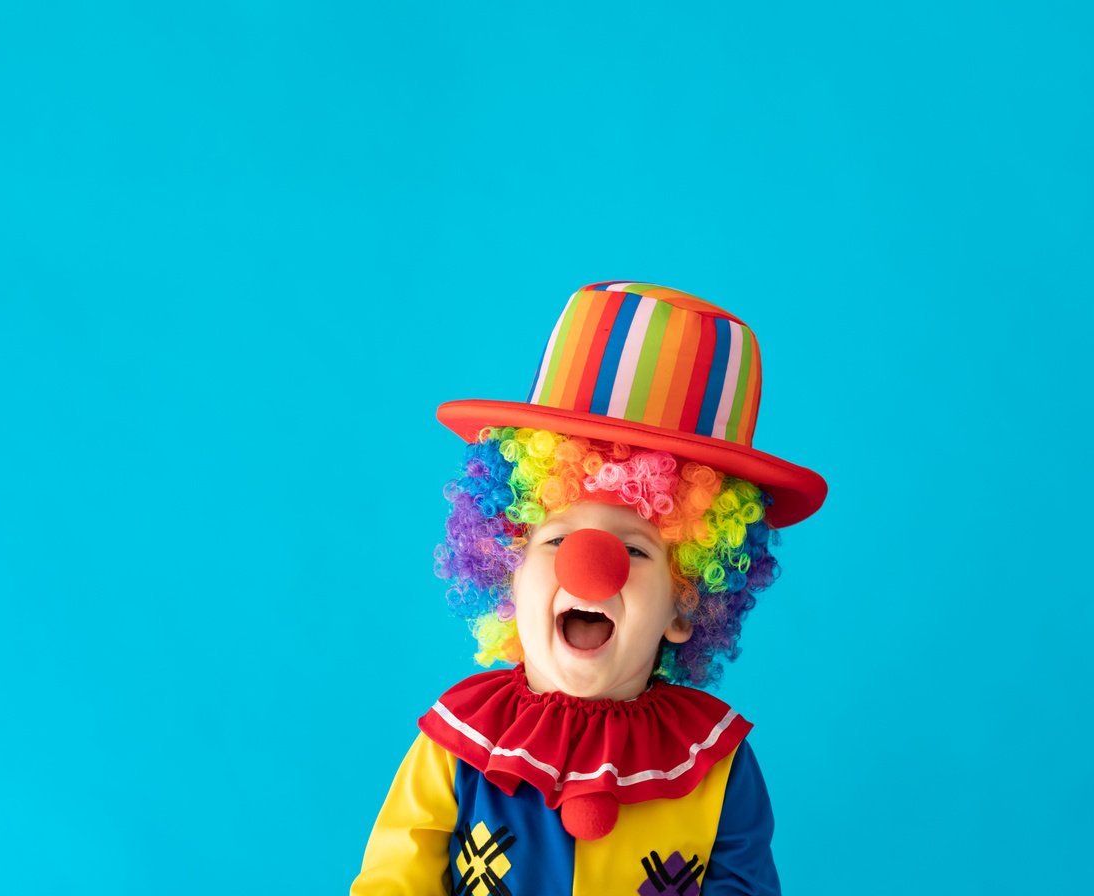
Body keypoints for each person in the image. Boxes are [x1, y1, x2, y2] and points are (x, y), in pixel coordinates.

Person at [352, 281, 827, 895]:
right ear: (507, 570)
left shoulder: (717, 762)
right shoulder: (457, 743)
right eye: (554, 541)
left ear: (688, 602)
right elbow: (394, 883)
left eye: (634, 549)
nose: (590, 567)